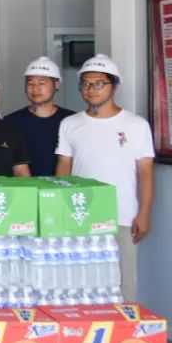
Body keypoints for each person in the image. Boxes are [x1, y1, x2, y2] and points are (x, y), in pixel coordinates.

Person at [56, 54, 155, 302]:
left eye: (99, 83)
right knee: (80, 282)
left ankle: (124, 327)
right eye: (86, 84)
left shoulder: (136, 125)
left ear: (115, 86)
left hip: (122, 215)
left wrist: (144, 213)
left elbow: (145, 172)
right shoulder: (70, 124)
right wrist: (58, 209)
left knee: (123, 283)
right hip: (79, 214)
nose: (91, 89)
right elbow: (64, 167)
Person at [3, 56, 75, 176]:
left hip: (63, 186)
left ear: (57, 84)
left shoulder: (70, 120)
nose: (35, 88)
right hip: (23, 186)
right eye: (30, 83)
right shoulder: (11, 122)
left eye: (42, 83)